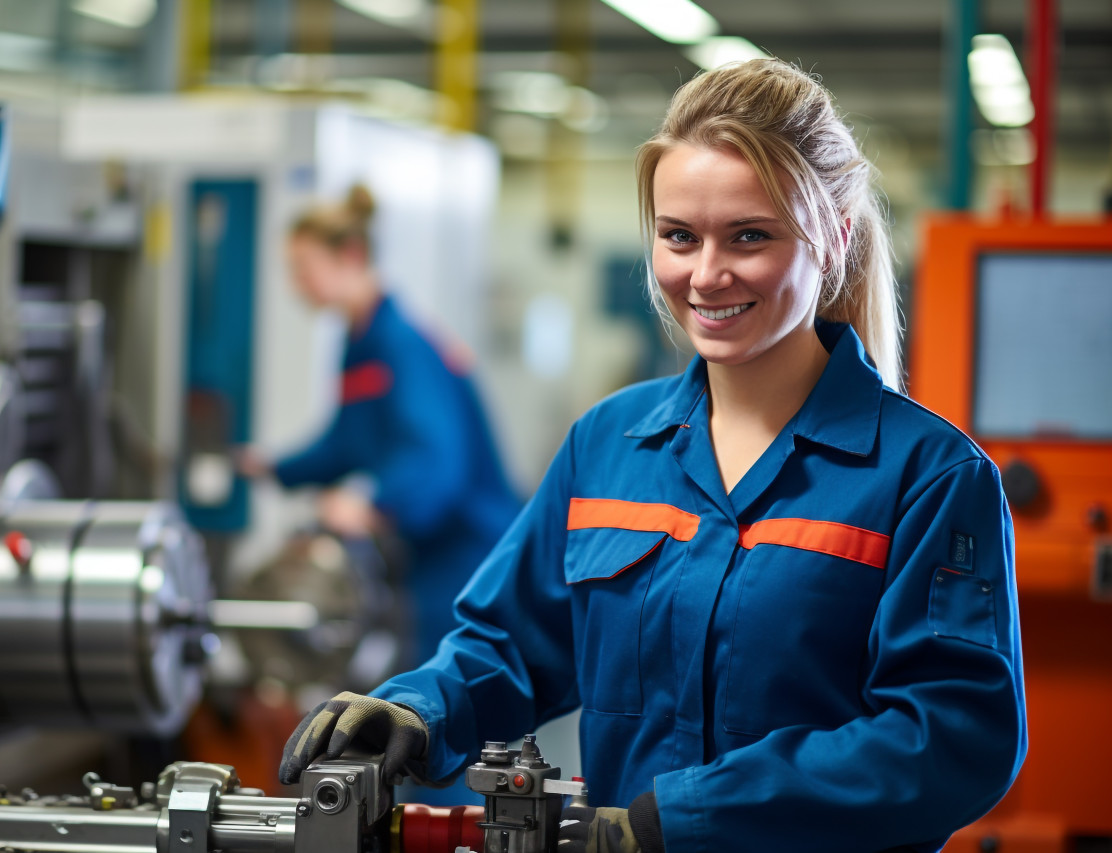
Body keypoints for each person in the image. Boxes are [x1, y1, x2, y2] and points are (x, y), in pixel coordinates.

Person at [278, 59, 1026, 852]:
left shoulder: (930, 479)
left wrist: (693, 815)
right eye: (679, 236)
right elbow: (510, 643)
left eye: (750, 236)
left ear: (834, 237)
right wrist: (418, 711)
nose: (705, 274)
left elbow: (951, 737)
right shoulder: (608, 446)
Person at [237, 184, 522, 677]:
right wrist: (275, 467)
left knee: (451, 696)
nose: (295, 284)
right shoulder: (360, 343)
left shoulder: (401, 344)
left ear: (348, 256)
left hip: (469, 551)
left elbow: (435, 460)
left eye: (302, 267)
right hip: (430, 553)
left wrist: (370, 507)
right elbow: (348, 440)